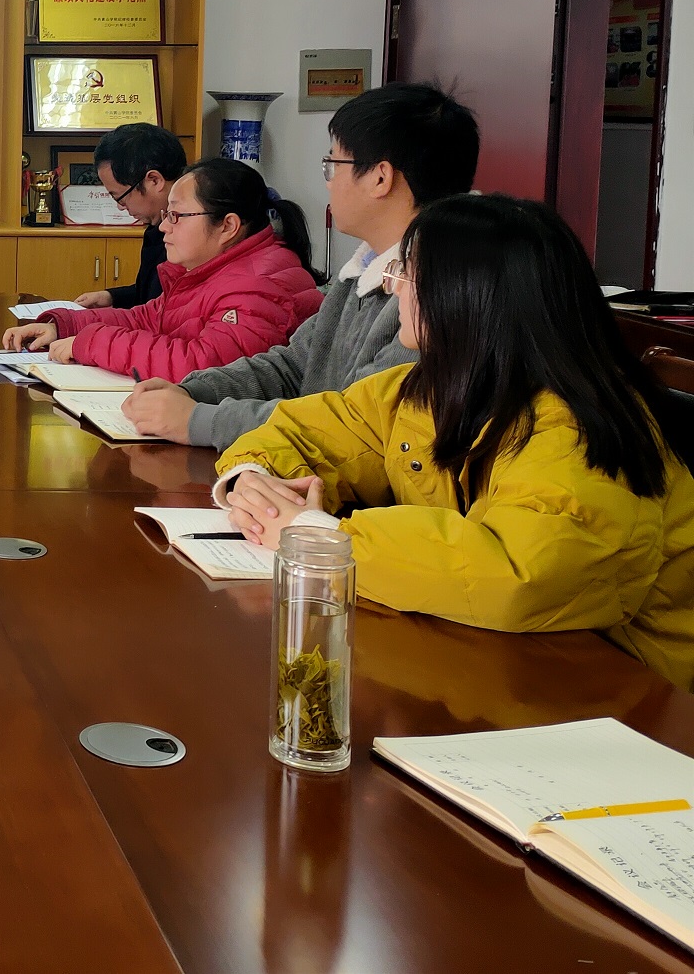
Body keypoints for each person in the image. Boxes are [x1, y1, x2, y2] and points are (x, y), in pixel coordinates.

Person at [216, 195, 694, 688]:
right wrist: (255, 482)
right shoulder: (429, 386)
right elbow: (303, 431)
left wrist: (324, 540)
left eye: (407, 273)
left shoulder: (576, 425)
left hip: (635, 693)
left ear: (467, 296)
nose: (393, 287)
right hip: (500, 659)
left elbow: (520, 576)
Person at [123, 82, 480, 445]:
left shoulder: (440, 292)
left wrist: (200, 421)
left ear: (379, 178)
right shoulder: (360, 272)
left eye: (333, 165)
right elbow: (294, 366)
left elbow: (358, 426)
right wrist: (193, 391)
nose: (328, 183)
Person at [3, 158, 321, 380]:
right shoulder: (209, 269)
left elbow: (204, 366)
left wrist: (91, 343)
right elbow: (146, 319)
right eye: (167, 214)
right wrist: (65, 326)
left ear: (227, 226)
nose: (164, 227)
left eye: (177, 216)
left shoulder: (259, 286)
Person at [68, 124, 185, 309]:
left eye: (120, 197)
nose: (121, 207)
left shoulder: (193, 236)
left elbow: (163, 311)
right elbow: (150, 296)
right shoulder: (158, 226)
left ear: (154, 180)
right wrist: (111, 297)